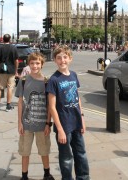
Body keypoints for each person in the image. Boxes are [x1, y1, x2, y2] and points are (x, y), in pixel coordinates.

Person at [46, 45, 90, 180]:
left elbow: (77, 99)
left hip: (76, 122)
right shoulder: (54, 80)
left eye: (65, 57)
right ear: (54, 60)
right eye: (59, 58)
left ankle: (83, 177)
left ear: (70, 59)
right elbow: (52, 107)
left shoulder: (73, 75)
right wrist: (59, 129)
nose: (62, 60)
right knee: (66, 157)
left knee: (81, 153)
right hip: (64, 125)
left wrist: (82, 118)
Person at [15, 52, 55, 180]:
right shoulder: (23, 80)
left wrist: (48, 123)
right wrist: (19, 122)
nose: (34, 66)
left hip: (42, 125)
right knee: (24, 151)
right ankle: (24, 176)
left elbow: (49, 105)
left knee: (44, 151)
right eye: (32, 63)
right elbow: (20, 101)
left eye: (37, 63)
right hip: (26, 124)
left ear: (42, 64)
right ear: (29, 64)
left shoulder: (46, 82)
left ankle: (47, 174)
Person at [0, 34, 18, 111]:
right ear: (10, 39)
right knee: (10, 88)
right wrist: (16, 70)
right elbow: (16, 61)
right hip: (11, 70)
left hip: (2, 71)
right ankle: (8, 106)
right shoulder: (14, 48)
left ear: (3, 39)